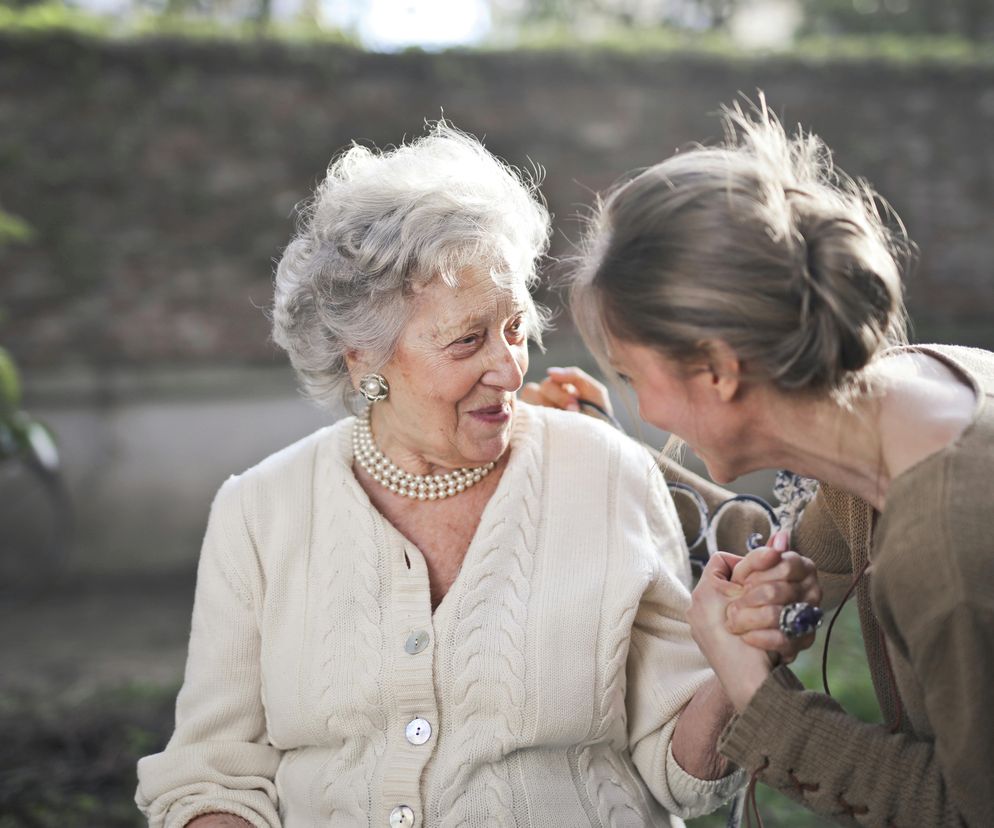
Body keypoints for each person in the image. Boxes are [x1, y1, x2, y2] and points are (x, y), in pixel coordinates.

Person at [135, 124, 818, 828]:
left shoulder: (605, 474)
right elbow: (211, 774)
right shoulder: (259, 511)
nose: (509, 367)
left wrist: (734, 665)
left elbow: (683, 776)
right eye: (468, 340)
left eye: (515, 328)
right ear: (362, 358)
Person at [544, 97, 994, 826]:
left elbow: (968, 810)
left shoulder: (945, 548)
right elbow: (788, 541)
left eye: (633, 378)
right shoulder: (915, 392)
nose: (648, 411)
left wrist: (757, 694)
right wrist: (600, 441)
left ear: (718, 371)